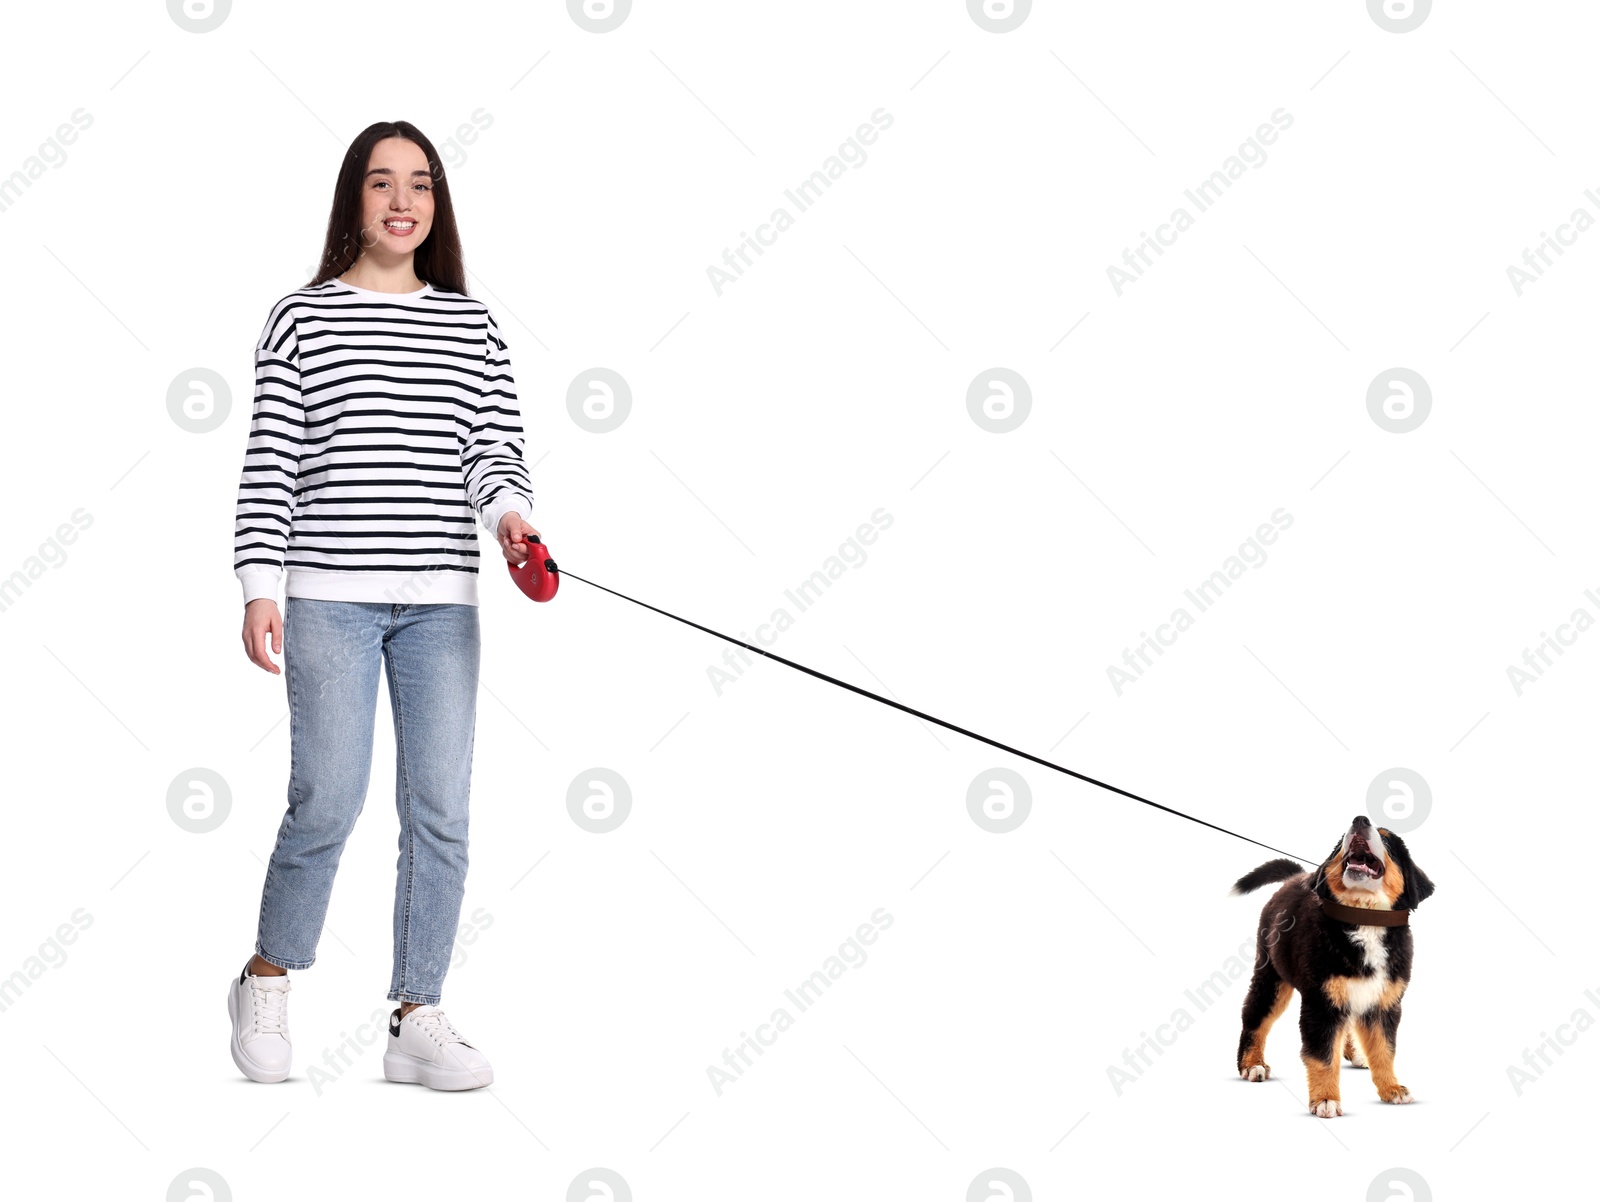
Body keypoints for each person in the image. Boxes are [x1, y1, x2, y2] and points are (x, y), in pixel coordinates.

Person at [227, 121, 539, 1091]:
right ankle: (267, 975)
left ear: (437, 205)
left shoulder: (471, 323)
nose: (401, 201)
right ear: (352, 200)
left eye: (419, 185)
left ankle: (416, 1013)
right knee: (328, 795)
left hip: (441, 602)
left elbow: (494, 447)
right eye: (380, 183)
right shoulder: (301, 317)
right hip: (329, 598)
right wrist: (258, 586)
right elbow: (271, 461)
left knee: (440, 808)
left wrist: (511, 518)